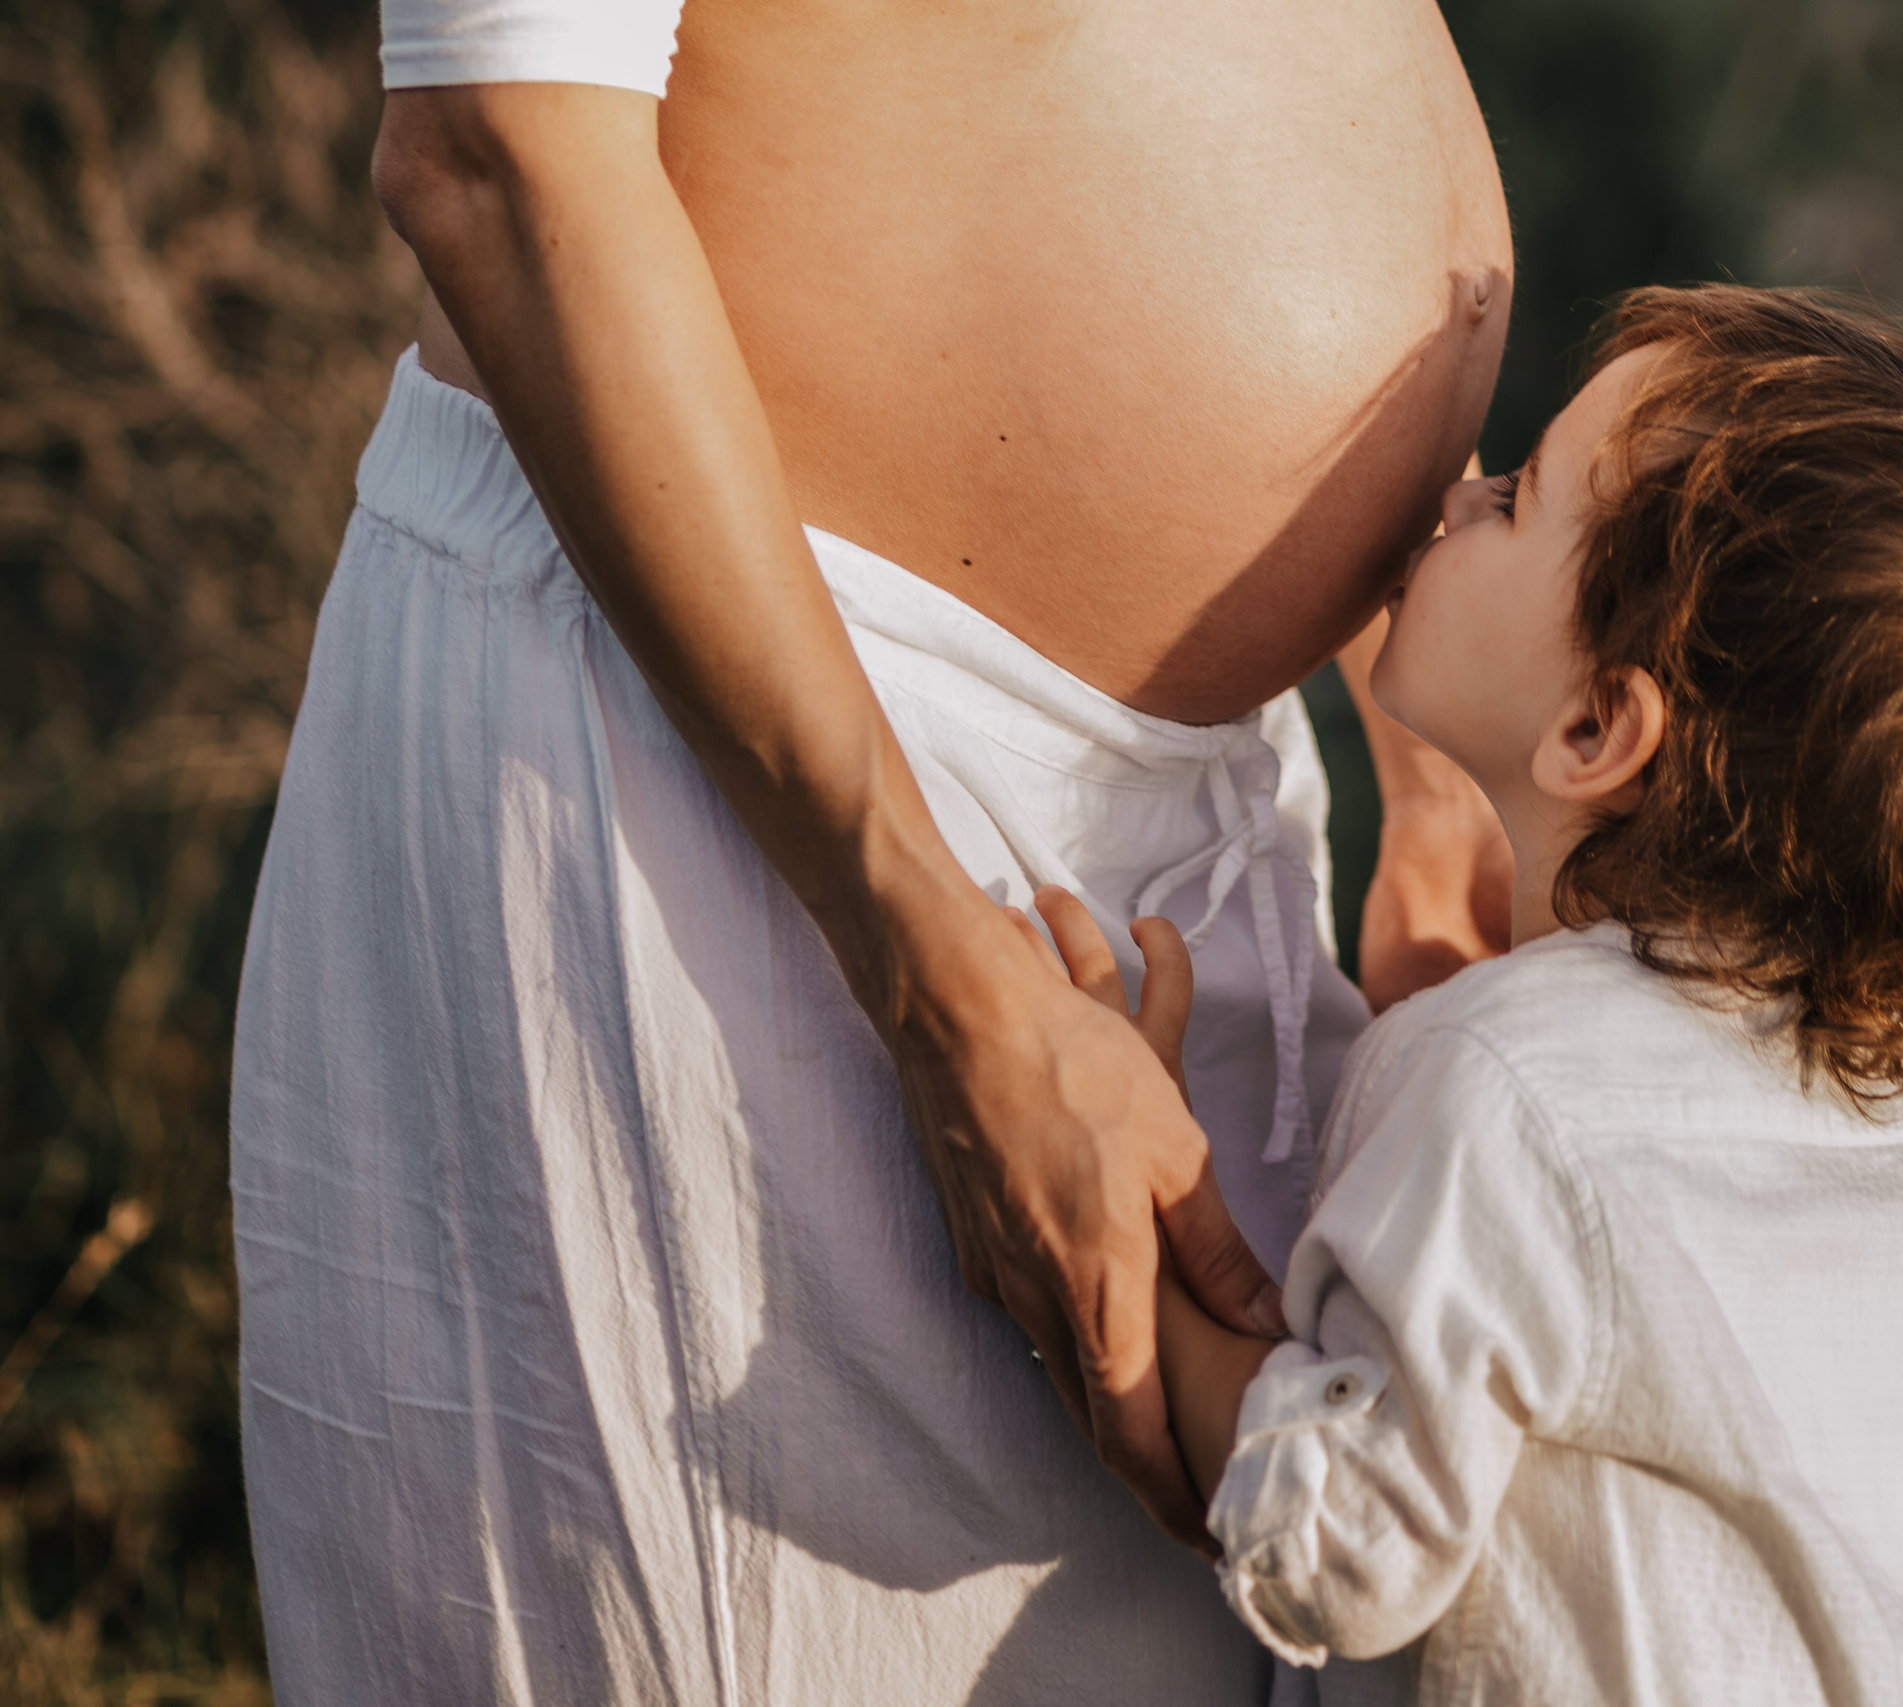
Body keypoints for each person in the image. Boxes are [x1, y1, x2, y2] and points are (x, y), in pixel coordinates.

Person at [229, 0, 1511, 1701]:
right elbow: (497, 150)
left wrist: (1437, 760)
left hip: (1195, 826)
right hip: (752, 802)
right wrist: (932, 969)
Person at [1035, 286, 1903, 1703]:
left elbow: (1340, 1544)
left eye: (1513, 497)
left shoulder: (1510, 1086)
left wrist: (1127, 1201)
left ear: (1595, 727)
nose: (1454, 497)